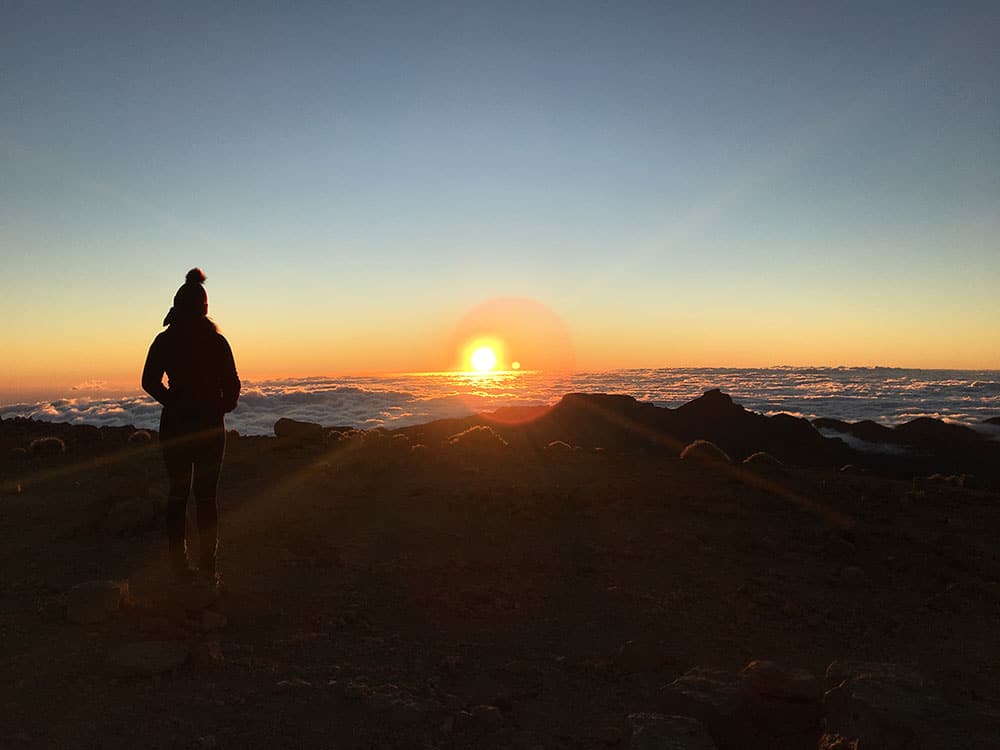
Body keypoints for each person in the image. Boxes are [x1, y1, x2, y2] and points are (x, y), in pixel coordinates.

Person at [142, 268, 240, 583]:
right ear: (205, 308)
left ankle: (178, 565)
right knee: (207, 496)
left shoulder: (165, 340)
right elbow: (233, 385)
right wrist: (220, 408)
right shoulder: (217, 341)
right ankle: (208, 566)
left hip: (175, 427)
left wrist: (174, 402)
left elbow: (149, 382)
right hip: (211, 427)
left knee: (178, 493)